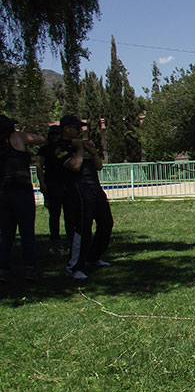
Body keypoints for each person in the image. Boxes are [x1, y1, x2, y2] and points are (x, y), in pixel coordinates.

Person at [55, 115, 114, 281]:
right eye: (76, 128)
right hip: (79, 191)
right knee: (83, 228)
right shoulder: (60, 147)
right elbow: (74, 166)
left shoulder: (83, 146)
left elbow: (99, 166)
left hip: (95, 189)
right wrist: (79, 149)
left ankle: (93, 258)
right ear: (66, 128)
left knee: (106, 223)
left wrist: (91, 149)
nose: (79, 131)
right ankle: (74, 267)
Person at [0, 115, 46, 283]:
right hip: (22, 191)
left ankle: (3, 270)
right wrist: (20, 133)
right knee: (27, 232)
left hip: (3, 192)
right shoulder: (17, 138)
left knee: (5, 234)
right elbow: (41, 139)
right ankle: (29, 269)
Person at [36, 124, 72, 251]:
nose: (55, 136)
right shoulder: (44, 149)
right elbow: (39, 166)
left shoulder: (66, 147)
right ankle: (55, 239)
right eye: (52, 134)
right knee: (54, 213)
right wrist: (42, 183)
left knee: (69, 213)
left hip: (66, 183)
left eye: (57, 134)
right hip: (52, 183)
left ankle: (70, 238)